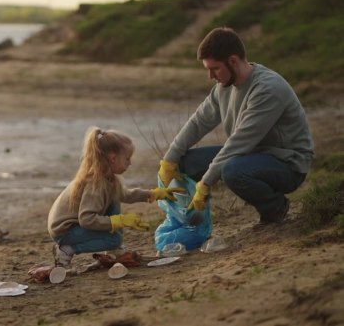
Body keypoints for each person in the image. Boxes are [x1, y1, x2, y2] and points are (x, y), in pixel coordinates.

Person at [158, 27, 314, 225]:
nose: (210, 75)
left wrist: (205, 184)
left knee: (232, 170)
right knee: (185, 162)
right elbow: (198, 122)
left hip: (287, 163)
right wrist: (169, 161)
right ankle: (191, 221)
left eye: (214, 68)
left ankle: (275, 207)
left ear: (232, 61)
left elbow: (239, 142)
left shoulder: (267, 89)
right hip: (250, 154)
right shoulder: (223, 87)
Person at [48, 127, 183, 267]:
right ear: (113, 158)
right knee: (113, 240)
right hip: (65, 231)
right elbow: (86, 219)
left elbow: (126, 195)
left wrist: (153, 194)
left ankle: (113, 251)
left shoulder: (109, 178)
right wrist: (117, 221)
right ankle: (66, 249)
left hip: (76, 225)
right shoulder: (96, 184)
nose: (129, 163)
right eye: (127, 158)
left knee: (114, 201)